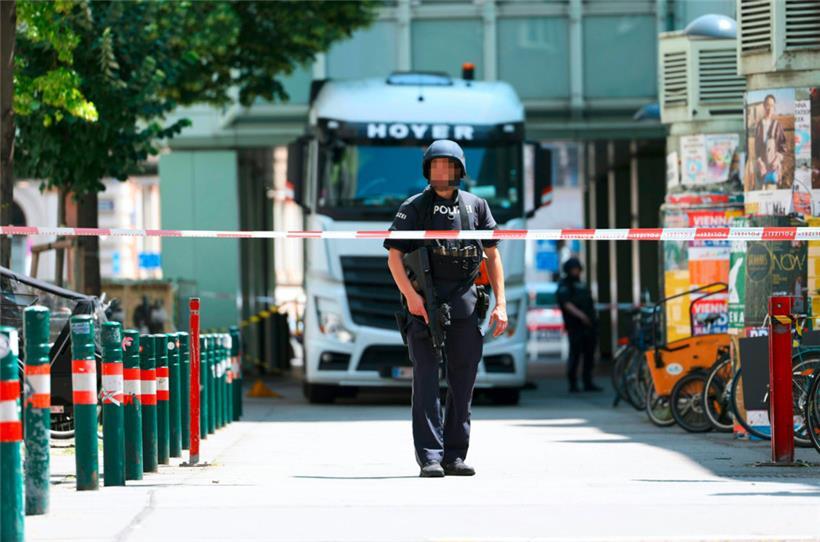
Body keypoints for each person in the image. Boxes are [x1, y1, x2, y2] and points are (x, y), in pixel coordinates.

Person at [385, 139, 507, 478]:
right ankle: (430, 456)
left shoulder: (476, 207)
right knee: (425, 379)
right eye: (436, 165)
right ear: (428, 170)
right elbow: (394, 257)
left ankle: (455, 454)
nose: (442, 171)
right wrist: (411, 297)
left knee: (463, 379)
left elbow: (493, 256)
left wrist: (502, 304)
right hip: (424, 301)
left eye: (449, 165)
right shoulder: (413, 207)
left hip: (466, 301)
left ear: (460, 170)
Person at [556, 257, 601, 393]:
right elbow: (566, 304)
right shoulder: (564, 285)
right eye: (573, 269)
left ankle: (588, 382)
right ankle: (573, 383)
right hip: (575, 326)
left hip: (589, 325)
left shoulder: (581, 284)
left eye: (577, 269)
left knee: (589, 355)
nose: (576, 271)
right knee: (575, 355)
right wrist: (581, 316)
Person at [754, 94, 786, 188]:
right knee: (760, 194)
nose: (769, 108)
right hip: (761, 168)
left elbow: (782, 147)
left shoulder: (777, 125)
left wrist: (776, 161)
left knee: (771, 192)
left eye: (772, 105)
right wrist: (760, 162)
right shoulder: (759, 125)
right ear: (764, 106)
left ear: (774, 107)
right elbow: (756, 148)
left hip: (773, 168)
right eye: (767, 105)